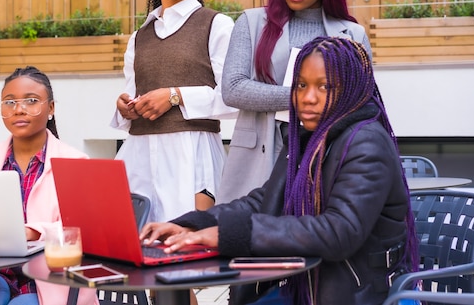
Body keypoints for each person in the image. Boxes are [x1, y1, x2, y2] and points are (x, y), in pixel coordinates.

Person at [139, 37, 419, 305]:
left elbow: (338, 232)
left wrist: (232, 234)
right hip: (312, 287)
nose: (308, 98)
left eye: (325, 87)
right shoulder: (309, 138)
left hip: (360, 294)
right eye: (300, 85)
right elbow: (265, 200)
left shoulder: (366, 142)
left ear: (352, 89)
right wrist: (193, 224)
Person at [216, 0, 372, 203]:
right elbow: (233, 89)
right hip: (259, 156)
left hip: (324, 157)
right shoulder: (251, 23)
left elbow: (363, 102)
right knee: (246, 233)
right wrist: (301, 97)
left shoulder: (352, 34)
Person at [110, 0, 237, 223]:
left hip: (192, 155)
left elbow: (233, 97)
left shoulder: (216, 25)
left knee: (191, 250)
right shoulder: (139, 37)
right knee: (137, 246)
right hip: (139, 157)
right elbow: (133, 92)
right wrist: (125, 106)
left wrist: (174, 95)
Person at [0, 66, 98, 305]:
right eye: (9, 102)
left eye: (31, 101)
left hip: (50, 278)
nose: (18, 109)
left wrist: (33, 232)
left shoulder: (76, 163)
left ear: (51, 108)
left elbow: (85, 231)